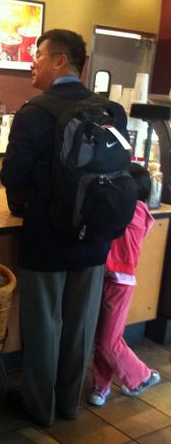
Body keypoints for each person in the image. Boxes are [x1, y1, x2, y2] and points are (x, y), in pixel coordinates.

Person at [0, 29, 129, 426]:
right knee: (80, 325)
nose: (32, 62)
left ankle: (40, 408)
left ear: (59, 61)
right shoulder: (112, 112)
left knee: (43, 325)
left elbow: (12, 174)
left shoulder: (35, 112)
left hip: (47, 238)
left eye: (38, 55)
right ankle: (70, 403)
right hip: (95, 239)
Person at [89, 163, 160, 406]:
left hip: (120, 282)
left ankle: (141, 376)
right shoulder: (132, 210)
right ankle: (101, 385)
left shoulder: (134, 213)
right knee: (102, 337)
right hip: (110, 276)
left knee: (109, 340)